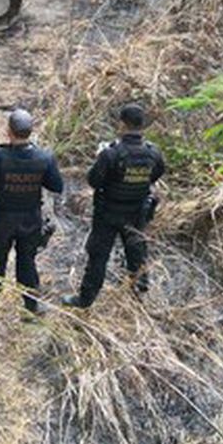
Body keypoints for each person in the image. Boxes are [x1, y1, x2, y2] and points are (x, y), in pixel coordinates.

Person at [63, 104, 167, 309]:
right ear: (141, 125)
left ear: (122, 124)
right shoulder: (153, 153)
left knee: (98, 257)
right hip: (137, 213)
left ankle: (85, 300)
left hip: (108, 213)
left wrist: (100, 160)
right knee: (137, 254)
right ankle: (138, 296)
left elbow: (94, 181)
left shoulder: (110, 154)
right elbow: (155, 175)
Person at [0, 109, 63, 319]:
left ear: (8, 131)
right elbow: (56, 186)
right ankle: (31, 308)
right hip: (30, 220)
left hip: (0, 220)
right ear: (30, 131)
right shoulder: (44, 157)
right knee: (27, 262)